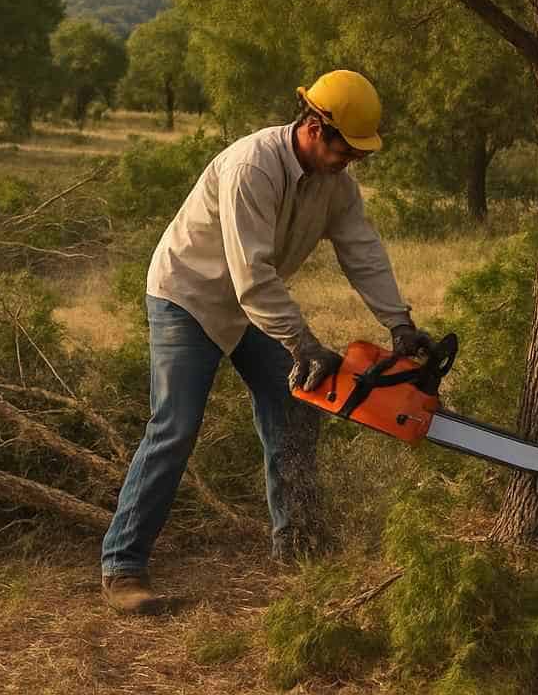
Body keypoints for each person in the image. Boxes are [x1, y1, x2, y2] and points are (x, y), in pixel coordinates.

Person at [100, 69, 431, 614]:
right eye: (346, 149)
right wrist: (302, 343)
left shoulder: (337, 185)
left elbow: (362, 251)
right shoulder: (253, 166)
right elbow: (250, 274)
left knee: (296, 406)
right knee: (175, 427)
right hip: (191, 299)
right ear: (314, 125)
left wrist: (399, 323)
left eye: (358, 155)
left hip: (255, 308)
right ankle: (123, 567)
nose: (351, 162)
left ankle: (299, 544)